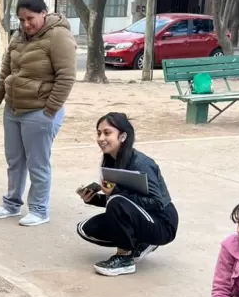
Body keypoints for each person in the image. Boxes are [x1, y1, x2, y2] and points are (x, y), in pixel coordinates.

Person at [0, 0, 76, 226]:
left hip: (40, 111)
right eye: (21, 20)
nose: (26, 24)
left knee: (37, 164)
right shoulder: (17, 37)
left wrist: (49, 111)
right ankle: (11, 204)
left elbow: (66, 77)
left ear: (44, 13)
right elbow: (4, 75)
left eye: (30, 18)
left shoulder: (58, 36)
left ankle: (39, 210)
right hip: (14, 109)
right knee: (15, 161)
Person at [76, 112, 179, 276]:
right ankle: (142, 243)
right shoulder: (110, 161)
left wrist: (116, 193)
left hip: (162, 222)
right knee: (87, 228)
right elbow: (122, 205)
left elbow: (157, 203)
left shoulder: (141, 163)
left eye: (107, 133)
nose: (101, 138)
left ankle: (124, 258)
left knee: (117, 200)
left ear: (123, 136)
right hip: (140, 216)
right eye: (99, 133)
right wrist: (94, 199)